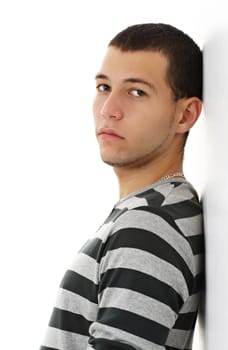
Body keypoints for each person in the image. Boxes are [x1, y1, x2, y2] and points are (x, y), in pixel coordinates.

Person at [40, 23, 204, 350]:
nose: (108, 110)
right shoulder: (154, 211)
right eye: (103, 87)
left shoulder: (148, 227)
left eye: (136, 92)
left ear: (185, 115)